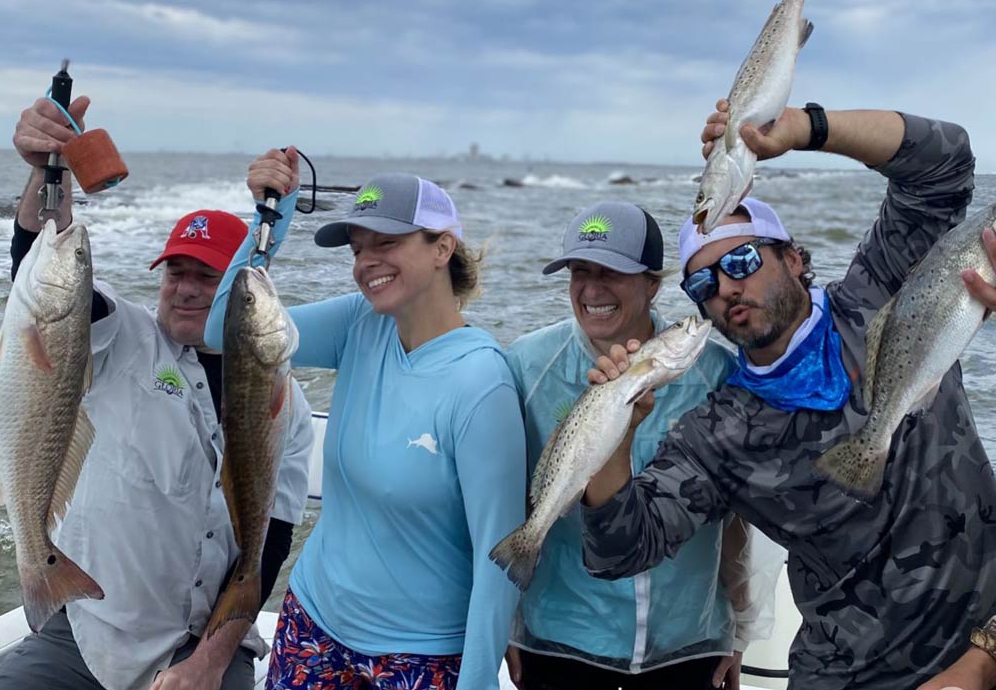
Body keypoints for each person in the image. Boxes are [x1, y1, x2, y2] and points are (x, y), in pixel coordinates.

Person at [580, 100, 996, 689]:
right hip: (849, 674)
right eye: (703, 282)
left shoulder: (883, 289)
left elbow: (943, 160)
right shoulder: (720, 432)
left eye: (742, 259)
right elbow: (621, 547)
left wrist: (805, 128)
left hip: (987, 638)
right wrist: (614, 429)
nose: (725, 286)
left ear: (794, 257)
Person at [0, 96, 314, 690]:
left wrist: (205, 666)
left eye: (205, 276)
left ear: (238, 284)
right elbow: (43, 273)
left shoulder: (282, 404)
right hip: (85, 626)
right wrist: (44, 171)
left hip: (204, 639)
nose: (184, 289)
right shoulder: (122, 336)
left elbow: (269, 544)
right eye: (174, 272)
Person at [203, 153, 527, 690]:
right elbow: (223, 330)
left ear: (442, 247)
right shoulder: (361, 323)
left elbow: (499, 559)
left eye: (387, 243)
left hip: (418, 656)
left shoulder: (481, 384)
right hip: (312, 622)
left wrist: (476, 681)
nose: (366, 262)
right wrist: (270, 217)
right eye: (358, 249)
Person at [502, 200, 781, 690]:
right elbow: (495, 504)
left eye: (611, 273)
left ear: (653, 283)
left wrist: (738, 630)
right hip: (561, 643)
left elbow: (739, 518)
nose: (591, 290)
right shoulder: (526, 365)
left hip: (688, 646)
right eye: (578, 272)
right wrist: (500, 624)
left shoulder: (718, 372)